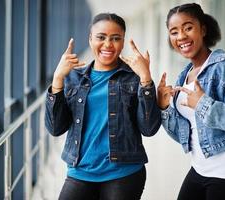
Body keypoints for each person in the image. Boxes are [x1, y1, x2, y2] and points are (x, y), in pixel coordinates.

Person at [45, 12, 161, 200]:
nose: (108, 44)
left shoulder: (134, 77)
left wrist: (146, 80)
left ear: (122, 43)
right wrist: (58, 79)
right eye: (101, 37)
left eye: (115, 38)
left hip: (124, 173)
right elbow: (56, 128)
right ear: (90, 39)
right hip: (80, 171)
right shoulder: (73, 77)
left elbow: (149, 129)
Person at [157, 3, 225, 200]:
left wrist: (203, 104)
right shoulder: (184, 75)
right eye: (174, 31)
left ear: (203, 29)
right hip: (200, 169)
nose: (181, 36)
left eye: (188, 28)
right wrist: (164, 107)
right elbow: (184, 134)